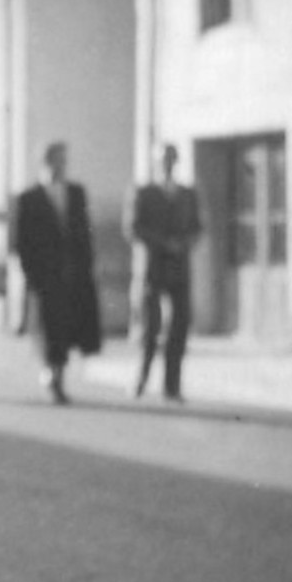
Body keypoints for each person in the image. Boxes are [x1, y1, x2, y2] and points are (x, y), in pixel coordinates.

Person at [14, 142, 102, 405]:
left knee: (67, 327)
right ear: (44, 163)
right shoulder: (29, 198)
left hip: (73, 273)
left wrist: (87, 266)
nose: (59, 166)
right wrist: (31, 275)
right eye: (54, 161)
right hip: (45, 275)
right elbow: (23, 242)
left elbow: (84, 233)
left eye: (63, 161)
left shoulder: (76, 193)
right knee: (49, 328)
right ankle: (52, 375)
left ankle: (58, 375)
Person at [125, 142, 202, 403]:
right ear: (155, 162)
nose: (167, 164)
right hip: (152, 268)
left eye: (171, 159)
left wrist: (185, 242)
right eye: (163, 160)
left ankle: (173, 385)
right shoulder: (143, 192)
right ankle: (141, 379)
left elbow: (197, 227)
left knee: (179, 327)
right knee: (150, 327)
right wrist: (161, 242)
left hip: (179, 268)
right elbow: (133, 228)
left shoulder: (187, 194)